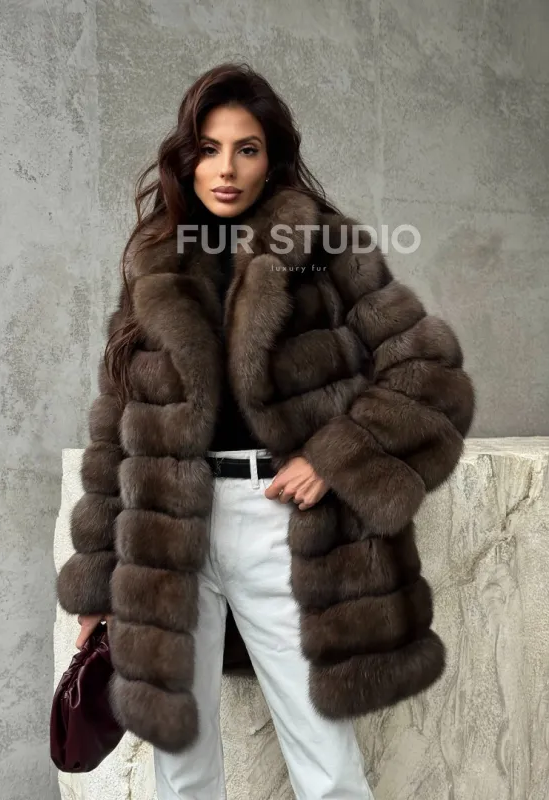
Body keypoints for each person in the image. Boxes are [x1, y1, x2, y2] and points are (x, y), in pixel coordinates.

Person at [56, 62, 475, 799]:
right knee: (181, 769)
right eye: (208, 149)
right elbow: (117, 425)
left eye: (245, 149)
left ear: (271, 156)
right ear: (187, 157)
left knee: (326, 765)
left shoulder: (323, 246)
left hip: (278, 523)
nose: (225, 169)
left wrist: (333, 456)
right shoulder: (158, 257)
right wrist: (97, 578)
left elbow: (428, 370)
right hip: (166, 537)